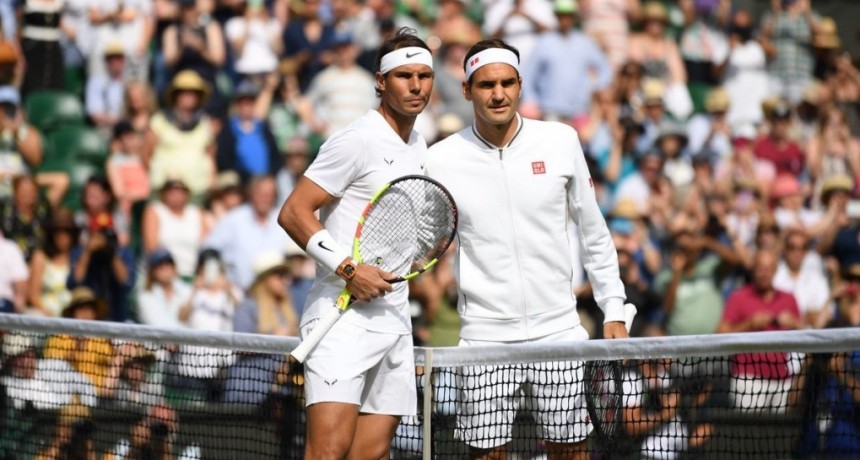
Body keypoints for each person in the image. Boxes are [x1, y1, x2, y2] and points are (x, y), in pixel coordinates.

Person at [424, 38, 627, 460]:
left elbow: (594, 232)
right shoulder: (440, 159)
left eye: (505, 83)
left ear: (520, 85)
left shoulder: (560, 140)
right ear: (466, 90)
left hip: (559, 331)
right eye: (485, 85)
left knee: (571, 453)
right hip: (484, 337)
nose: (497, 94)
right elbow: (423, 243)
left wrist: (614, 309)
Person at [278, 28, 433, 460]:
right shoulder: (356, 138)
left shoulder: (420, 145)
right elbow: (293, 212)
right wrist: (349, 269)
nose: (416, 85)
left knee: (371, 456)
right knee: (326, 454)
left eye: (424, 75)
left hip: (395, 318)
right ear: (380, 81)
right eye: (404, 75)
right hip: (340, 316)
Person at [716, 250, 802, 413]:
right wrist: (750, 323)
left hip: (782, 380)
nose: (765, 273)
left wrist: (795, 324)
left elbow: (808, 336)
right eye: (761, 268)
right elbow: (720, 333)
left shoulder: (789, 299)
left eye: (769, 268)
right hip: (748, 379)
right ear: (753, 269)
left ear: (776, 270)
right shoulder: (738, 297)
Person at [27, 208, 76, 317]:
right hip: (45, 316)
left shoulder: (77, 258)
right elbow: (33, 295)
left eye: (67, 231)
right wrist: (46, 313)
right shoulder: (41, 257)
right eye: (57, 231)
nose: (62, 236)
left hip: (72, 318)